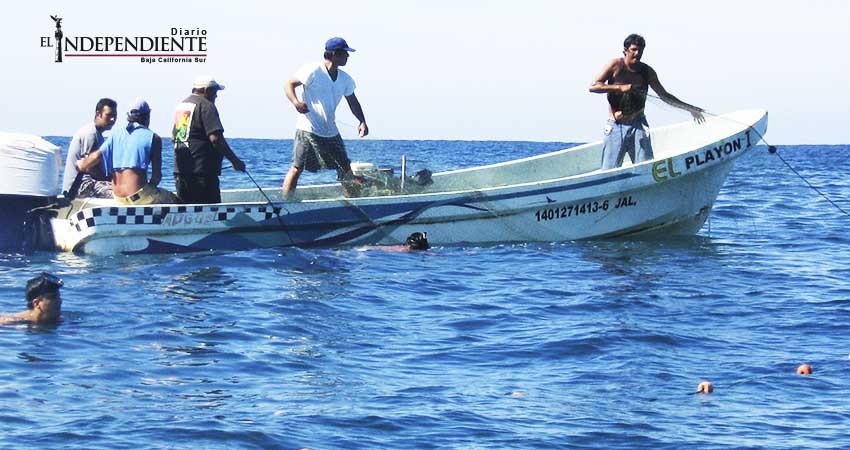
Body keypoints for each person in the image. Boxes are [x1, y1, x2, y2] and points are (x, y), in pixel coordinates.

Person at [589, 33, 705, 170]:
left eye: (640, 50)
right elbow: (593, 87)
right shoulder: (615, 65)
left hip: (638, 124)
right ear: (625, 50)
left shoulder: (647, 71)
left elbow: (664, 95)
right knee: (609, 172)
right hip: (616, 125)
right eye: (633, 50)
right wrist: (619, 88)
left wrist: (690, 108)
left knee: (646, 168)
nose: (637, 53)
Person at [282, 36, 369, 198]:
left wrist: (362, 121)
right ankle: (286, 203)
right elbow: (289, 84)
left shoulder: (345, 78)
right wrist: (296, 102)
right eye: (345, 53)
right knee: (297, 167)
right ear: (335, 54)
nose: (348, 57)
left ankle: (354, 200)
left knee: (345, 167)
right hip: (308, 128)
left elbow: (353, 102)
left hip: (330, 131)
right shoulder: (313, 70)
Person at [76, 100, 178, 205]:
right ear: (147, 116)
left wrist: (81, 164)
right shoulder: (153, 137)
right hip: (138, 196)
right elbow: (156, 177)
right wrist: (150, 189)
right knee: (173, 199)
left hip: (117, 196)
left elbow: (95, 157)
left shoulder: (116, 134)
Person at [172, 75, 246, 204]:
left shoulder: (182, 106)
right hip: (202, 174)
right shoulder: (206, 106)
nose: (216, 96)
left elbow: (174, 137)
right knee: (209, 212)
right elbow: (216, 139)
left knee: (188, 212)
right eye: (215, 92)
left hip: (181, 173)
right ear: (206, 90)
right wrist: (235, 161)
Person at [61, 98, 117, 199]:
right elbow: (89, 167)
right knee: (119, 194)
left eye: (114, 116)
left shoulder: (97, 134)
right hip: (80, 186)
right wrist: (108, 180)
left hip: (90, 182)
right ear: (98, 114)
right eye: (108, 115)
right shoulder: (90, 134)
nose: (112, 119)